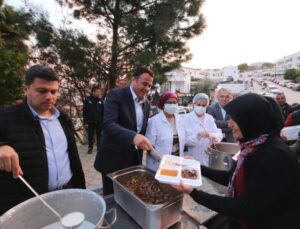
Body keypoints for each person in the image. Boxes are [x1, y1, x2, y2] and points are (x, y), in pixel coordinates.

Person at [172, 93, 300, 229]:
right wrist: (197, 167)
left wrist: (194, 193)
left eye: (235, 119)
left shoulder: (275, 157)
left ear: (251, 121)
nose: (230, 124)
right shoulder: (251, 147)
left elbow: (244, 207)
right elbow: (230, 176)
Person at [0, 65, 85, 215]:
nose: (49, 97)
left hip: (68, 194)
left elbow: (72, 158)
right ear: (26, 89)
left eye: (53, 91)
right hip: (30, 204)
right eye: (42, 91)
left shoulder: (63, 119)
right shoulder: (6, 117)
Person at [94, 66, 155, 195]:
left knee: (130, 195)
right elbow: (108, 124)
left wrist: (148, 144)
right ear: (133, 80)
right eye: (144, 84)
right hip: (113, 159)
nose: (147, 89)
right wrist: (134, 137)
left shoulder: (147, 104)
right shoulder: (116, 95)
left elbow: (140, 129)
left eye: (150, 86)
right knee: (111, 197)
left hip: (133, 160)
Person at [145, 92, 186, 171]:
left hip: (176, 163)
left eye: (175, 102)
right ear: (163, 104)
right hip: (158, 164)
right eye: (169, 103)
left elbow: (183, 142)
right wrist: (160, 159)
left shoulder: (180, 120)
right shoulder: (154, 121)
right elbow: (149, 146)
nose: (173, 105)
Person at [184, 93, 222, 166]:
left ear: (207, 106)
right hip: (192, 156)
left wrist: (211, 135)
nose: (201, 107)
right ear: (193, 104)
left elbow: (218, 135)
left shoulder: (210, 118)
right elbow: (184, 140)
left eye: (203, 105)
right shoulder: (186, 119)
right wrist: (197, 136)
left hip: (207, 156)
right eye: (198, 105)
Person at [83, 86, 104, 154]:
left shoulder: (100, 101)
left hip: (99, 122)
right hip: (90, 121)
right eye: (97, 92)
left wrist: (103, 121)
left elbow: (103, 112)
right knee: (90, 135)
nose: (99, 93)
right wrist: (85, 122)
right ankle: (90, 148)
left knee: (99, 135)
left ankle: (99, 148)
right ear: (93, 92)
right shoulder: (87, 100)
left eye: (99, 92)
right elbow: (85, 112)